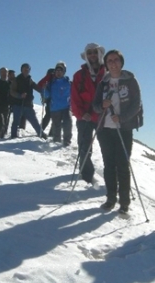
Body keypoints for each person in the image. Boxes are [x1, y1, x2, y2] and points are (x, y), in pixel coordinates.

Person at [92, 49, 142, 214]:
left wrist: (123, 118)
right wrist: (102, 106)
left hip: (123, 128)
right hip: (105, 128)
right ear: (106, 64)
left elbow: (137, 104)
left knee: (122, 165)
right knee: (109, 165)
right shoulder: (103, 83)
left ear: (121, 62)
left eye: (116, 60)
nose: (113, 63)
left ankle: (124, 202)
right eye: (109, 61)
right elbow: (95, 105)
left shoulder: (130, 80)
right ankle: (111, 198)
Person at [71, 43, 106, 184]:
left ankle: (111, 178)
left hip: (103, 117)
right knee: (84, 147)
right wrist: (80, 113)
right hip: (85, 117)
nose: (92, 55)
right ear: (86, 55)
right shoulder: (79, 75)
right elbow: (74, 97)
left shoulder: (107, 73)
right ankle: (86, 176)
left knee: (107, 149)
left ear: (99, 54)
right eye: (89, 53)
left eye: (94, 52)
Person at [9, 63, 47, 139]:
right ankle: (13, 136)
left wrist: (43, 90)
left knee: (34, 120)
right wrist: (20, 96)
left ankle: (41, 134)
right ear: (21, 69)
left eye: (28, 68)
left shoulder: (30, 80)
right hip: (18, 104)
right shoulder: (17, 80)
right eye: (25, 68)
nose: (26, 70)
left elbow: (36, 87)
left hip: (28, 104)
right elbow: (12, 92)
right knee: (16, 121)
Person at [44, 61, 72, 146]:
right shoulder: (51, 83)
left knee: (68, 123)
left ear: (64, 72)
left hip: (66, 107)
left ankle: (67, 141)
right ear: (55, 72)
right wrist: (45, 89)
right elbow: (47, 96)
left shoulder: (68, 82)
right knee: (56, 125)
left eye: (60, 71)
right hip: (55, 107)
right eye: (57, 71)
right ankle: (56, 141)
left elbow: (73, 93)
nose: (58, 72)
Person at [37, 68, 55, 136]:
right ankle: (51, 133)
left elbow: (39, 85)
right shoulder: (51, 78)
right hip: (52, 100)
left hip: (49, 100)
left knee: (48, 116)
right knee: (54, 117)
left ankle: (41, 130)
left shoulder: (48, 79)